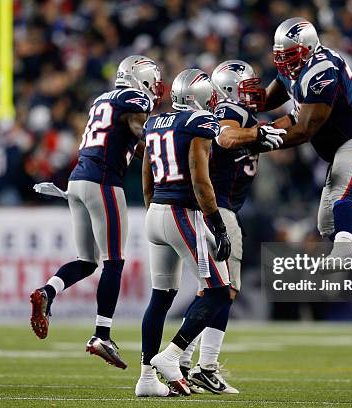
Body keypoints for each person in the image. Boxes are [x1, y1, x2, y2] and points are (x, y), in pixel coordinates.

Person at [263, 18, 352, 318]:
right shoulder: (295, 69)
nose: (285, 63)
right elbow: (265, 100)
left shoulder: (322, 69)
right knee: (329, 224)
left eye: (290, 55)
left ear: (309, 49)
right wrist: (240, 103)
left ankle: (342, 251)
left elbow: (304, 129)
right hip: (344, 148)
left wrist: (261, 141)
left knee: (344, 199)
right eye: (281, 56)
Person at [29, 56, 163, 369]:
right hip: (103, 182)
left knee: (87, 261)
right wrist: (165, 143)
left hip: (77, 180)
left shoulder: (103, 99)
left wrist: (148, 148)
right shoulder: (136, 99)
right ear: (141, 80)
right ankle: (102, 334)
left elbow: (125, 139)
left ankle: (47, 291)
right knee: (113, 261)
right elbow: (136, 127)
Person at [180, 60, 285, 394]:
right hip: (220, 210)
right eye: (248, 87)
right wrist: (257, 133)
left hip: (218, 209)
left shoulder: (241, 115)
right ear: (228, 90)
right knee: (225, 290)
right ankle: (200, 365)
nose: (255, 93)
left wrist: (264, 132)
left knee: (211, 290)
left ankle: (184, 361)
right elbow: (226, 138)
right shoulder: (230, 111)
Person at [135, 68, 238, 397]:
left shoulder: (155, 122)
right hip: (182, 213)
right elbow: (199, 177)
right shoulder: (200, 123)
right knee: (219, 290)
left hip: (156, 213)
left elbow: (147, 171)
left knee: (161, 297)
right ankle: (173, 355)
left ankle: (146, 378)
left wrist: (154, 207)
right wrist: (217, 224)